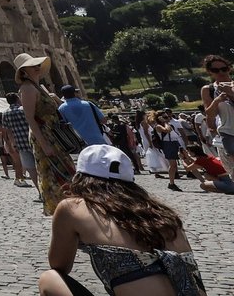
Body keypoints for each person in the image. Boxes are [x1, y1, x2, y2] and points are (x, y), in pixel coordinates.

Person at [37, 144, 207, 296]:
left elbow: (59, 264)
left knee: (49, 278)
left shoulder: (72, 207)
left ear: (80, 177)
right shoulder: (164, 214)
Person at [17, 54, 75, 215]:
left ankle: (71, 212)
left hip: (53, 133)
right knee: (54, 175)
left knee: (68, 172)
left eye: (37, 64)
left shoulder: (39, 87)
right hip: (43, 134)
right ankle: (63, 214)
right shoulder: (27, 88)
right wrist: (43, 143)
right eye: (32, 65)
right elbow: (29, 117)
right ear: (24, 71)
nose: (37, 66)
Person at [199, 54, 234, 174]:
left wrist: (230, 93)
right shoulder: (208, 89)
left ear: (229, 68)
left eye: (224, 69)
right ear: (210, 72)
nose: (221, 72)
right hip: (228, 133)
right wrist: (217, 101)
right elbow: (209, 114)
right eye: (215, 70)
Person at [1, 94, 35, 189]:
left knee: (30, 168)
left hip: (19, 143)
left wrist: (13, 144)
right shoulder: (23, 109)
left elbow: (8, 131)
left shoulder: (5, 113)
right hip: (32, 140)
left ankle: (39, 191)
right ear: (17, 99)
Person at [153, 111, 186, 192]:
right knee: (173, 164)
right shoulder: (158, 126)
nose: (168, 118)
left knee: (184, 159)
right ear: (159, 118)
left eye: (167, 117)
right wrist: (165, 122)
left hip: (174, 142)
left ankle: (172, 182)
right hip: (168, 144)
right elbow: (167, 130)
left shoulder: (167, 124)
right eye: (165, 117)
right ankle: (171, 183)